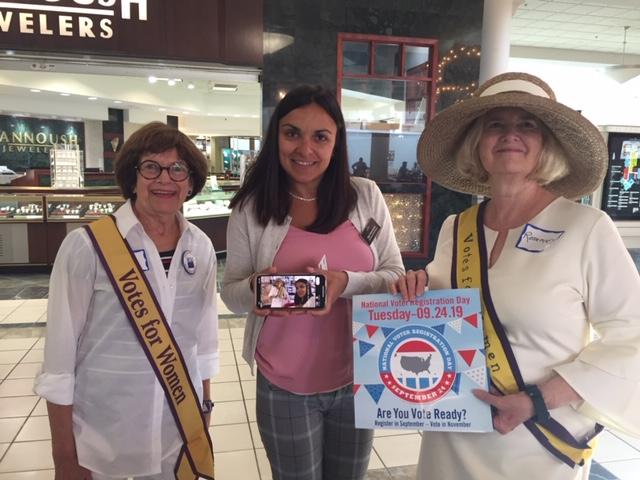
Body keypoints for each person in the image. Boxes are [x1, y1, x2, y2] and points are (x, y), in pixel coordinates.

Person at [391, 72, 640, 480]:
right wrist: (412, 292)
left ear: (547, 144)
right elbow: (443, 318)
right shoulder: (456, 227)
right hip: (452, 437)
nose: (511, 135)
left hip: (536, 443)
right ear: (478, 144)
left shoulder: (586, 227)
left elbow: (633, 336)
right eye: (496, 124)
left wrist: (537, 401)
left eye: (528, 124)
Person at [221, 85, 404, 480]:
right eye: (292, 133)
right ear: (276, 138)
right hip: (284, 385)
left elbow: (395, 275)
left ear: (336, 143)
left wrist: (344, 283)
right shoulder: (250, 208)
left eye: (320, 136)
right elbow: (230, 293)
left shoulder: (365, 196)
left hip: (357, 378)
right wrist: (256, 288)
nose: (305, 148)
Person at [34, 122, 219, 480]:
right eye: (151, 167)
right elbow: (58, 364)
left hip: (176, 442)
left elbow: (205, 350)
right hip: (102, 449)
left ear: (191, 182)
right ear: (131, 177)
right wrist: (65, 459)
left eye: (178, 168)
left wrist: (203, 424)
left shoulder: (201, 247)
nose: (165, 179)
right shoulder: (86, 247)